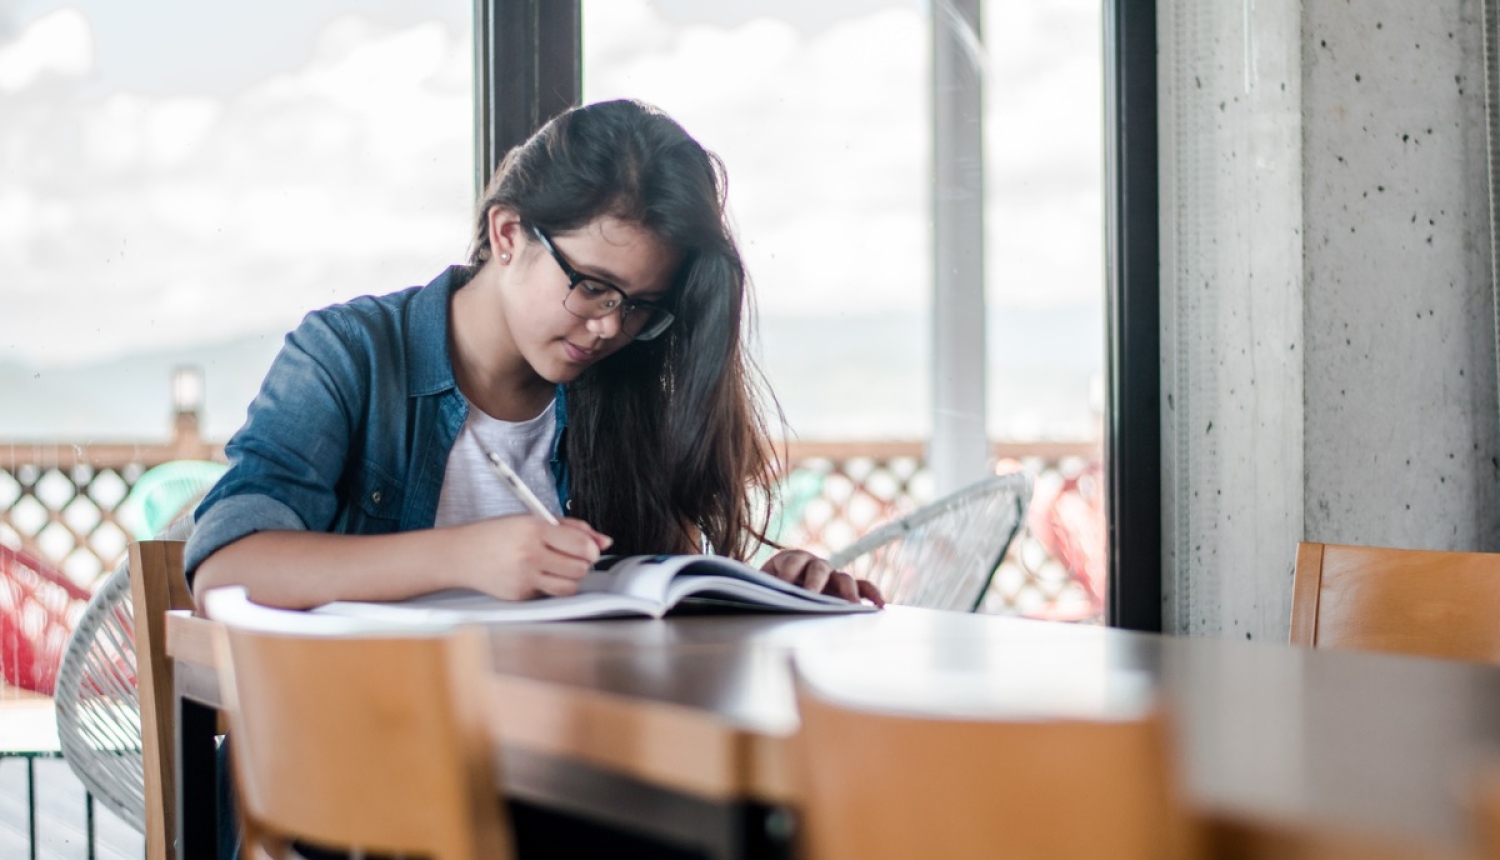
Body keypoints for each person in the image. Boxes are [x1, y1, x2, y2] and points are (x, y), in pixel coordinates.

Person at [186, 99, 884, 610]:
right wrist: (464, 555)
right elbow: (226, 569)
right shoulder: (350, 355)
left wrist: (767, 592)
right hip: (350, 743)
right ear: (508, 233)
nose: (610, 327)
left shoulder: (626, 390)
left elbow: (657, 605)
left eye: (640, 305)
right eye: (593, 286)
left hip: (551, 743)